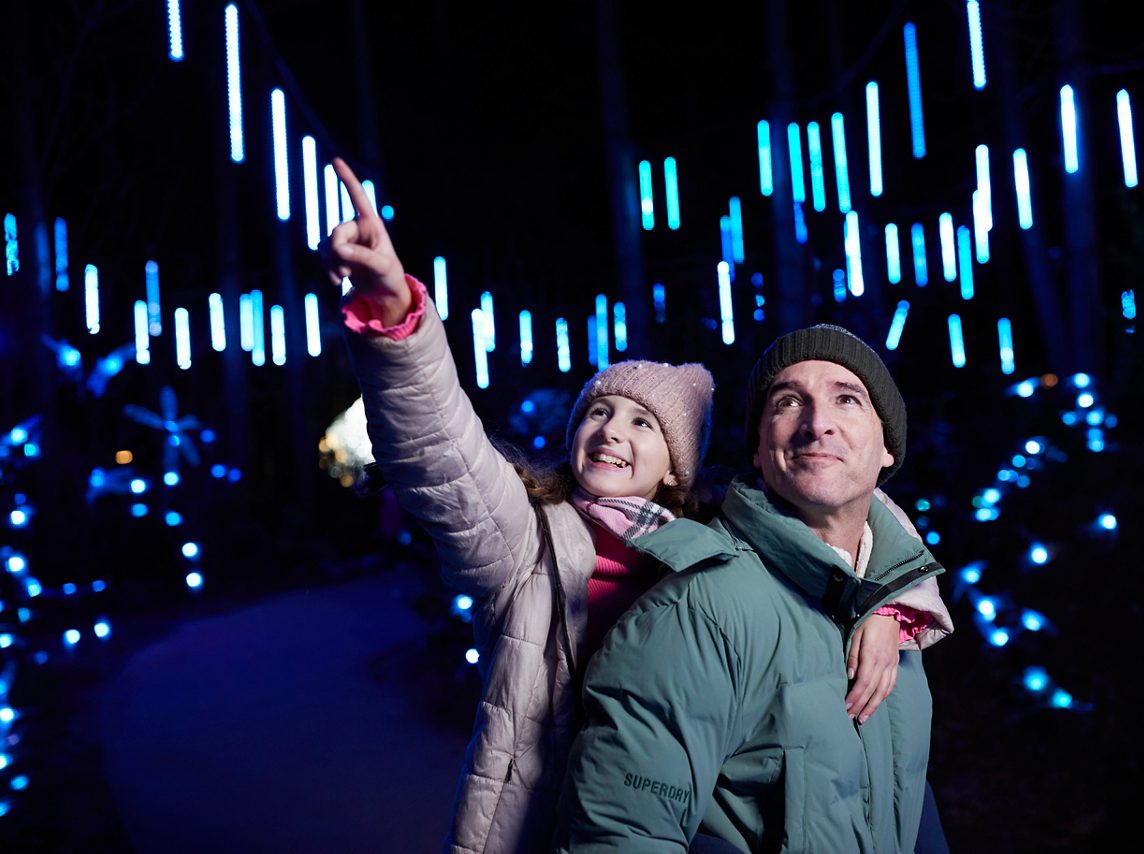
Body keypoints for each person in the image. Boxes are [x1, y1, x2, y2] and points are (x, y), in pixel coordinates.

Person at [325, 156, 946, 853]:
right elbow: (442, 451)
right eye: (597, 411)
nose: (612, 430)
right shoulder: (527, 540)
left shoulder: (715, 531)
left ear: (677, 464)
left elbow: (841, 515)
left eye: (642, 422)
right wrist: (395, 317)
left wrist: (890, 605)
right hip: (548, 822)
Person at [555, 323, 954, 852]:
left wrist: (887, 607)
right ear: (760, 452)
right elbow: (620, 834)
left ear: (887, 450)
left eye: (848, 400)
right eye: (789, 402)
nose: (818, 425)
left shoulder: (896, 611)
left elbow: (902, 794)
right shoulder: (698, 611)